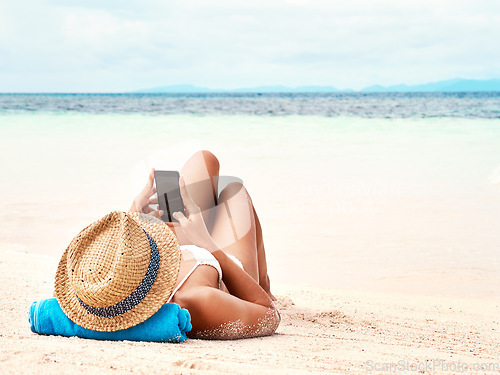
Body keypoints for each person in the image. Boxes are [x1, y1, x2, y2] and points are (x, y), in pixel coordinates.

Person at [129, 150, 280, 339]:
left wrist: (135, 217)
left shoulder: (110, 277)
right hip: (226, 269)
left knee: (205, 159)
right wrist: (207, 243)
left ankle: (206, 221)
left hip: (169, 251)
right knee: (234, 190)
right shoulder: (198, 299)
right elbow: (269, 315)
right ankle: (263, 284)